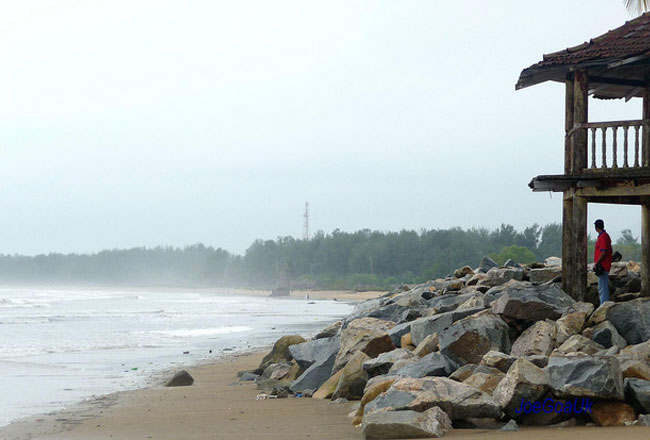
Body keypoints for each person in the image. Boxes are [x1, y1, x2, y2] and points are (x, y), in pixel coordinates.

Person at [593, 219, 613, 304]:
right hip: (603, 264)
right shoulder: (604, 236)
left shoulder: (603, 237)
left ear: (596, 227)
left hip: (603, 265)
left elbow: (604, 251)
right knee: (602, 286)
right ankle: (604, 304)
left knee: (603, 287)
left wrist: (597, 263)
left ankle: (604, 305)